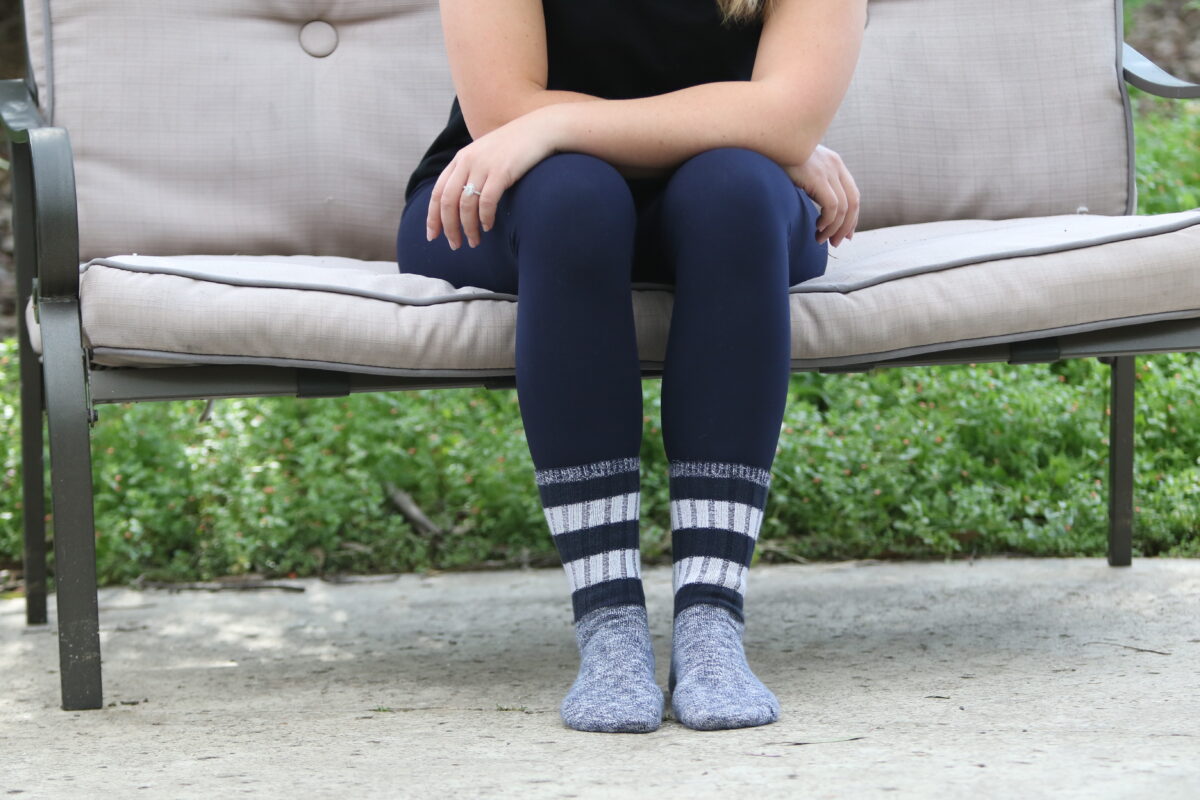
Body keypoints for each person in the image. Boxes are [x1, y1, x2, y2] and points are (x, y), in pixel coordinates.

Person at [397, 0, 867, 733]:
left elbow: (788, 119)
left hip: (728, 194)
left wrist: (554, 121)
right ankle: (609, 623)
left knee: (737, 191)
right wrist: (750, 120)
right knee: (576, 197)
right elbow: (504, 113)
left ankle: (712, 621)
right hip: (525, 196)